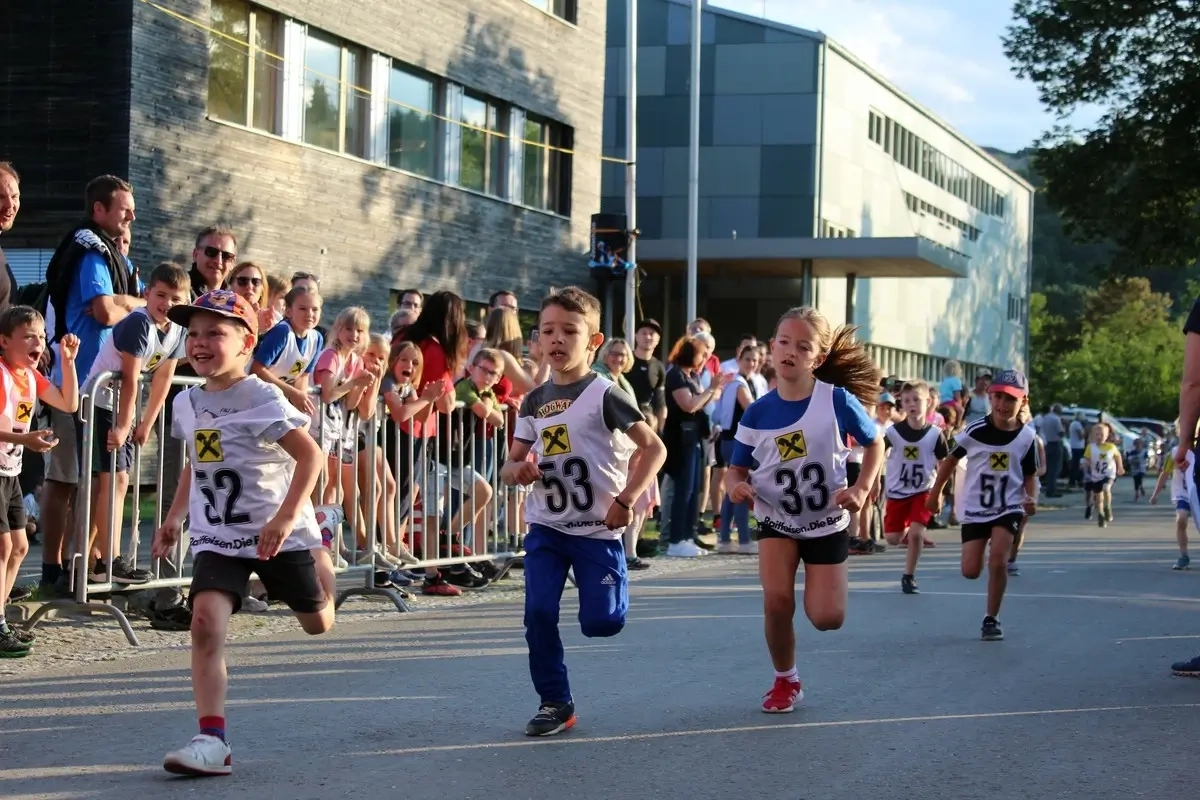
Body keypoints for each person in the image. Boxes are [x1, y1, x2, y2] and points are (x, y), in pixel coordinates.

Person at [151, 290, 331, 776]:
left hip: (277, 533)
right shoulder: (186, 403)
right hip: (218, 535)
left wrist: (287, 518)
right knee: (205, 622)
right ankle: (213, 740)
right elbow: (196, 463)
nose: (201, 342)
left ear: (247, 341)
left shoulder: (260, 395)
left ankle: (323, 559)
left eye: (215, 333)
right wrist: (174, 517)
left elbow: (311, 456)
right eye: (193, 333)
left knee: (318, 624)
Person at [500, 286, 665, 737]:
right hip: (547, 528)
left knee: (602, 622)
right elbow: (510, 463)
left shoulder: (605, 394)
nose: (556, 340)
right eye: (548, 331)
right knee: (537, 612)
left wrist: (627, 499)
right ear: (536, 341)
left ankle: (612, 585)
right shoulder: (534, 400)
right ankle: (555, 701)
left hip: (597, 528)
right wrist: (520, 469)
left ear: (593, 342)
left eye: (569, 331)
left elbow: (654, 449)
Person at [725, 307, 883, 713]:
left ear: (819, 357)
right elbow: (736, 469)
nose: (789, 352)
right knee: (777, 601)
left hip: (827, 520)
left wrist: (862, 487)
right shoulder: (758, 412)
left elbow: (875, 444)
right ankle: (785, 679)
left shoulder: (836, 401)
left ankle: (819, 614)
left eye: (802, 346)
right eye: (782, 342)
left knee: (827, 617)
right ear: (772, 347)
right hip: (777, 516)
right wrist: (737, 487)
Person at [39, 175, 142, 597]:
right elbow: (104, 310)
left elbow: (144, 309)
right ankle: (56, 571)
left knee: (105, 478)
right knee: (68, 479)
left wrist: (131, 303)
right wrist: (135, 304)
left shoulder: (117, 257)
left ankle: (91, 564)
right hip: (76, 383)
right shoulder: (89, 250)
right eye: (124, 209)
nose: (131, 216)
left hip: (104, 387)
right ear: (99, 210)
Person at [82, 262, 190, 586]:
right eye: (160, 295)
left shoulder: (176, 329)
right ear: (147, 294)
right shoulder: (138, 324)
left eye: (174, 298)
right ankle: (105, 560)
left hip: (121, 408)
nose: (167, 304)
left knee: (120, 480)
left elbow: (164, 376)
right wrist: (124, 425)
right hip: (101, 402)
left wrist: (146, 423)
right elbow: (130, 378)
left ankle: (106, 559)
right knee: (112, 480)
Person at [927, 369, 1038, 641]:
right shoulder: (974, 431)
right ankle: (984, 552)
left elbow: (1030, 474)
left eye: (1010, 399)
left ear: (1023, 401)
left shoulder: (1027, 438)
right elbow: (950, 461)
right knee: (970, 571)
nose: (1002, 404)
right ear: (989, 397)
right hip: (976, 508)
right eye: (997, 397)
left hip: (1008, 505)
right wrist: (936, 493)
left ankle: (992, 618)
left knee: (998, 561)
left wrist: (1031, 497)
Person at [0, 308, 79, 655]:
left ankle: (0, 619)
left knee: (18, 548)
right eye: (29, 335)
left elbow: (69, 402)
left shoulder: (32, 376)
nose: (39, 341)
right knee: (3, 548)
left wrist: (68, 361)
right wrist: (26, 440)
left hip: (10, 472)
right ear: (4, 342)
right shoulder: (1, 374)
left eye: (42, 334)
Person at [882, 380, 949, 594]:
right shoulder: (892, 433)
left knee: (917, 534)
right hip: (897, 491)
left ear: (928, 402)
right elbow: (877, 457)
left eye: (917, 400)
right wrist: (873, 483)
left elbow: (944, 465)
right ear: (901, 403)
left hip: (923, 490)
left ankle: (908, 576)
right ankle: (908, 529)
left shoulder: (936, 434)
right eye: (907, 400)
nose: (912, 404)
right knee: (892, 538)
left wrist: (940, 493)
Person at [1150, 437, 1192, 570]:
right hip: (1183, 493)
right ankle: (1183, 556)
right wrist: (1155, 494)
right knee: (1181, 519)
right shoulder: (1174, 452)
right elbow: (1165, 473)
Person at [1080, 422, 1123, 526]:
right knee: (1098, 497)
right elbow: (1087, 458)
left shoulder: (1111, 447)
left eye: (1102, 435)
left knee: (1106, 488)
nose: (1099, 437)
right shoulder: (1091, 447)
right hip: (1096, 475)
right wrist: (1085, 464)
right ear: (1093, 436)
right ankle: (1101, 514)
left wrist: (1120, 467)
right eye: (1097, 435)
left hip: (1108, 473)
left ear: (1107, 435)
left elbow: (1117, 456)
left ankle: (1108, 506)